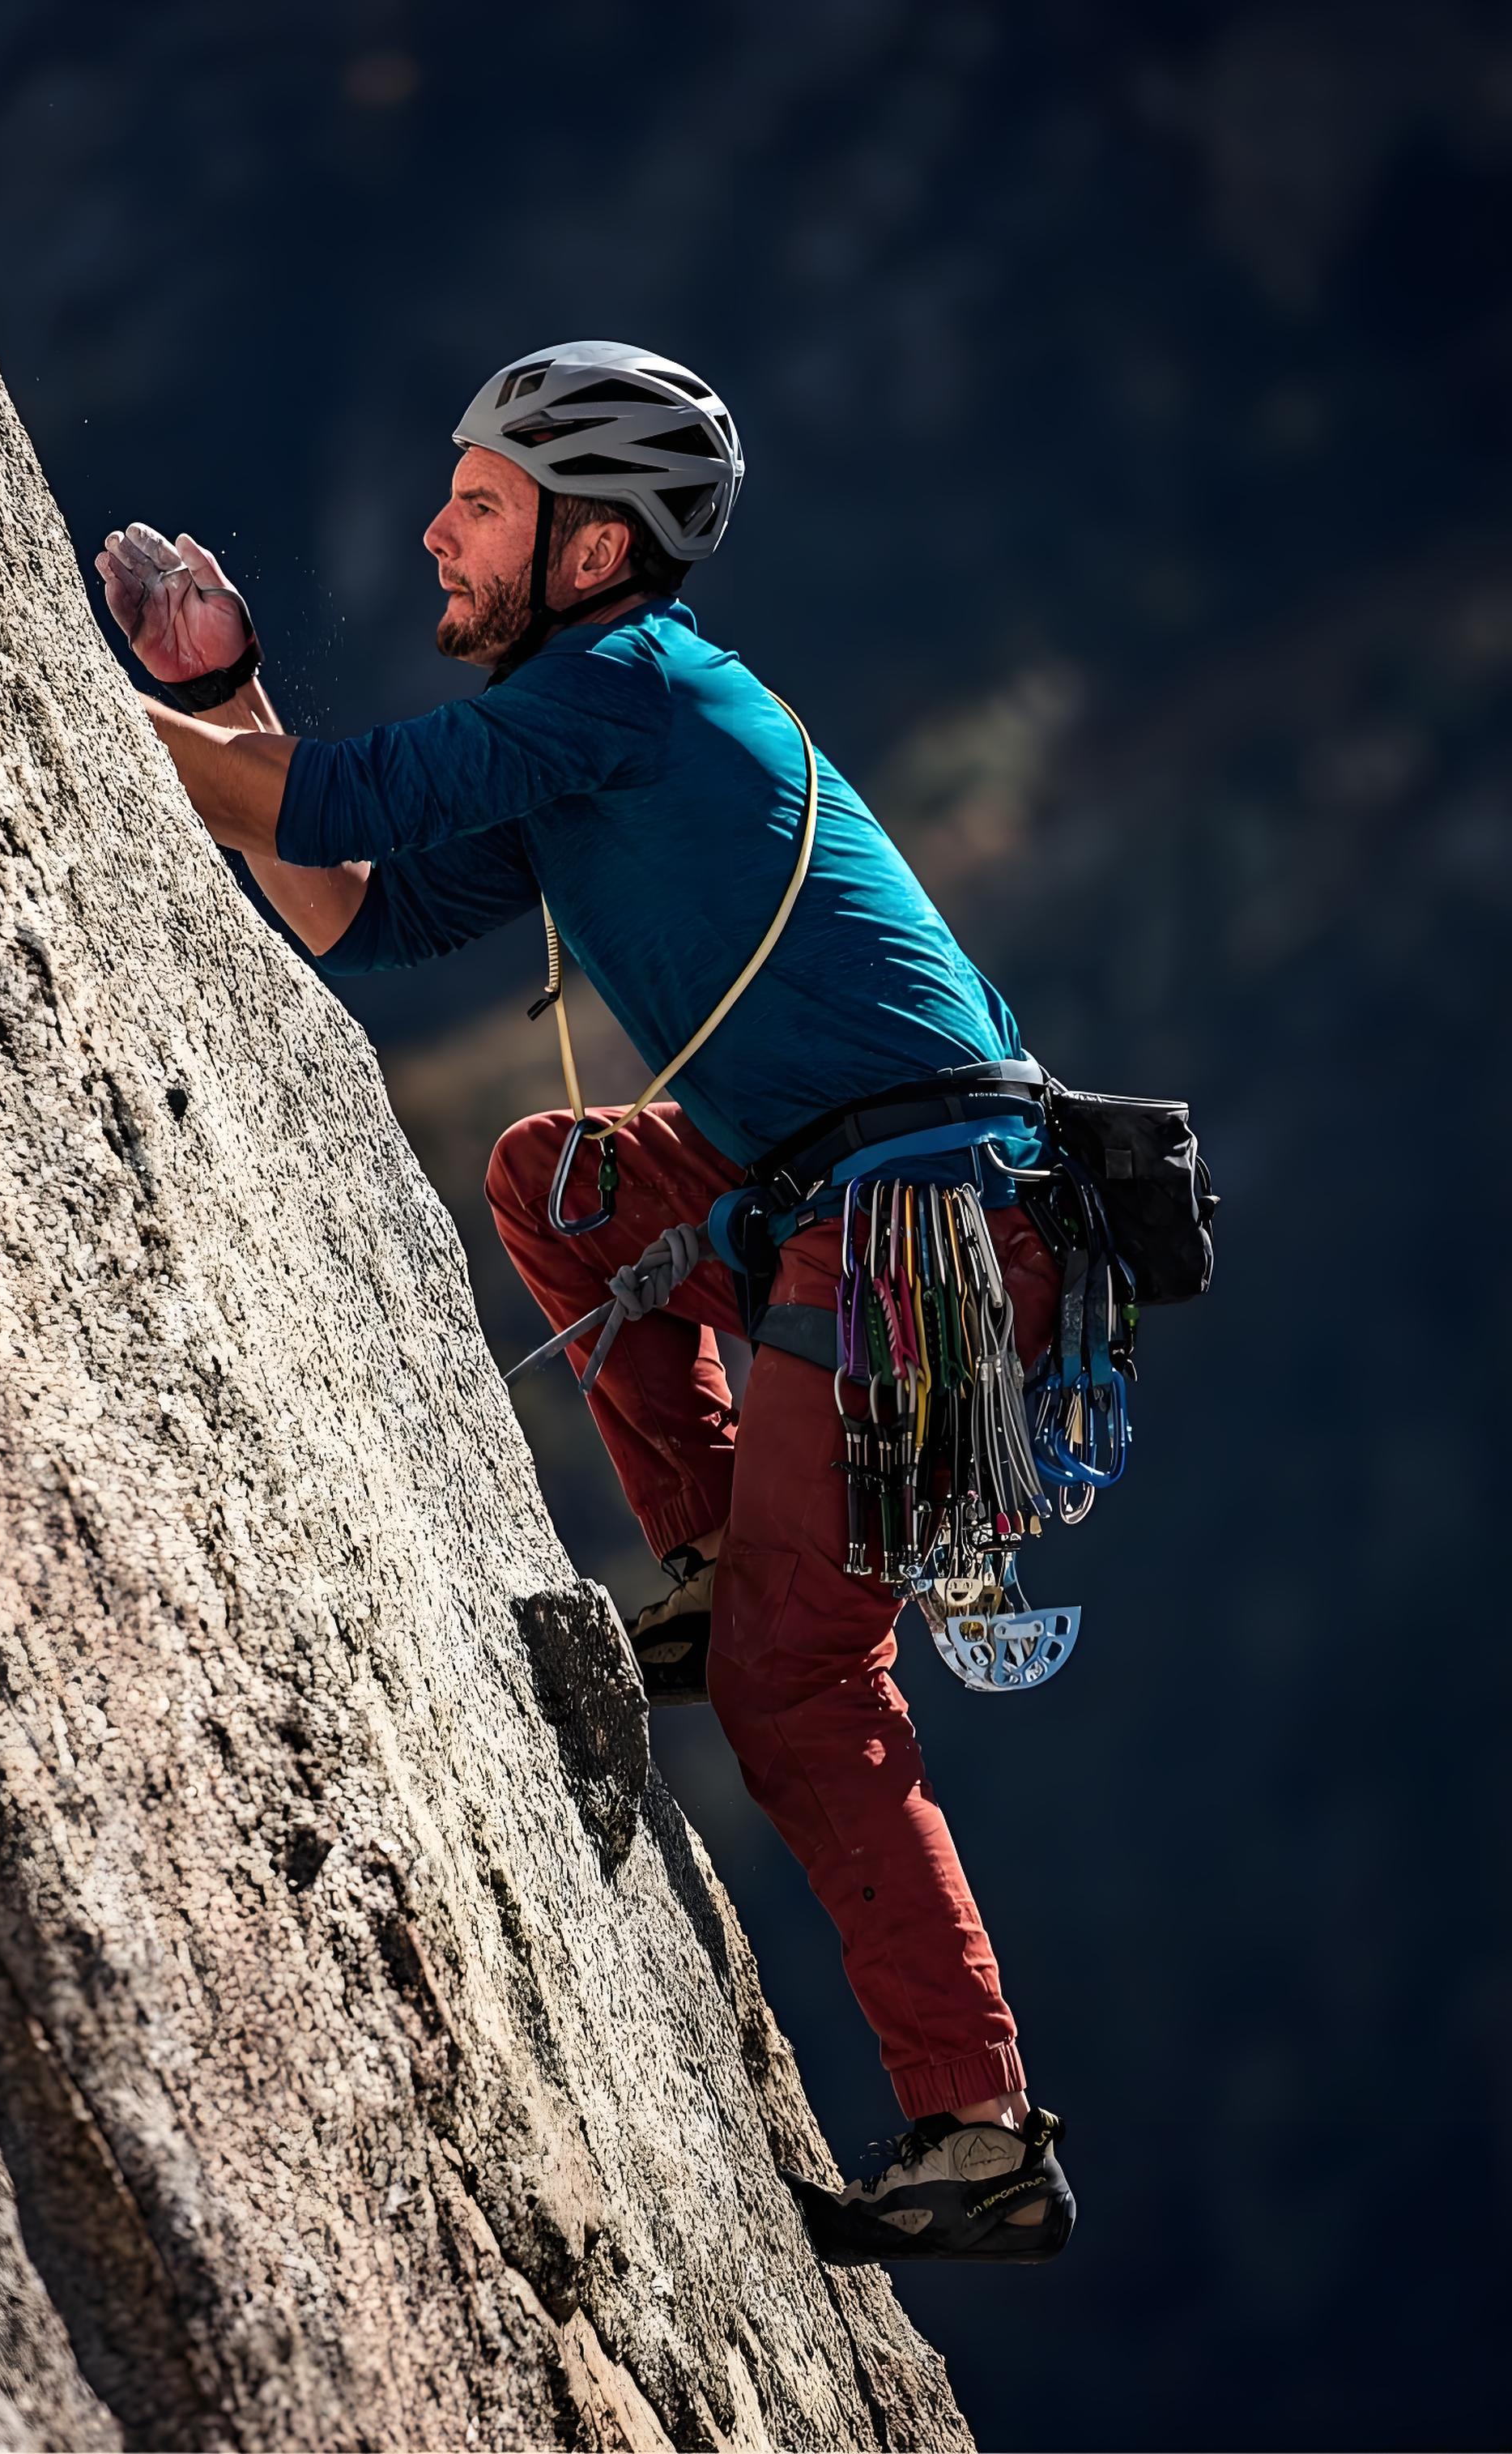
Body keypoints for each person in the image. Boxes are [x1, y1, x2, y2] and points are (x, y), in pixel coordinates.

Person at [96, 339, 1075, 2264]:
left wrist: (94, 703)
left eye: (475, 507)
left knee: (807, 1694)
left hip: (916, 1230)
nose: (433, 537)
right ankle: (708, 1567)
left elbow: (305, 803)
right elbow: (357, 904)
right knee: (558, 1180)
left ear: (593, 545)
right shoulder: (592, 711)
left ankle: (978, 2135)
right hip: (849, 1194)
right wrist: (215, 698)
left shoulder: (619, 686)